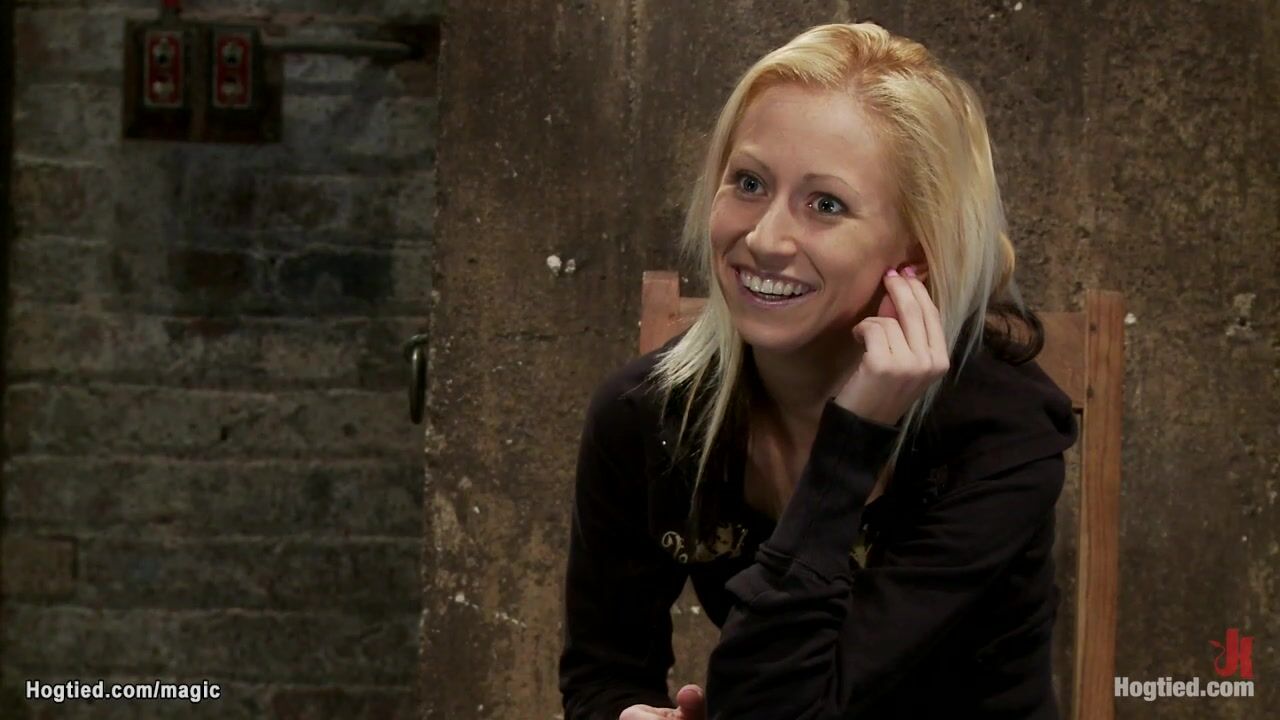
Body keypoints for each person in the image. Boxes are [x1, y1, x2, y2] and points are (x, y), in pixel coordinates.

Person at [559, 21, 1079, 720]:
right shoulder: (644, 416)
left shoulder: (999, 435)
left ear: (917, 255)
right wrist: (627, 714)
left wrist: (853, 438)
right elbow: (602, 675)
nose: (764, 238)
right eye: (748, 183)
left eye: (826, 204)